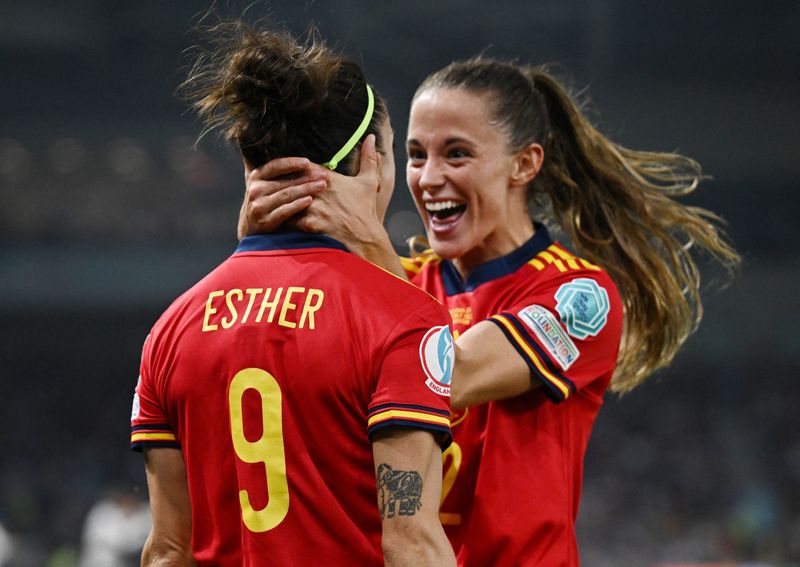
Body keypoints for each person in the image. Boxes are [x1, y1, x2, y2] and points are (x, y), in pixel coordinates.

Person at [240, 56, 740, 566]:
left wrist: (365, 241)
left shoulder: (577, 295)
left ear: (524, 164)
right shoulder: (402, 279)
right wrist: (260, 248)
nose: (429, 177)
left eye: (457, 154)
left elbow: (446, 375)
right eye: (415, 155)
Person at [129, 20, 456, 567]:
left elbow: (167, 551)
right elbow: (411, 543)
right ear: (369, 163)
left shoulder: (170, 329)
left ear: (249, 168)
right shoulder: (403, 318)